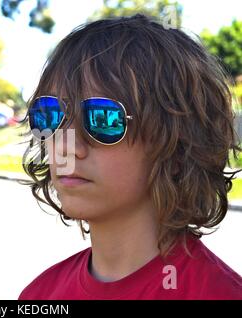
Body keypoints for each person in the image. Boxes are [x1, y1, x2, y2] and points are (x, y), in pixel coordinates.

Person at [18, 14, 242, 300]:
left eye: (102, 118)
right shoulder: (39, 294)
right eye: (49, 115)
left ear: (178, 143)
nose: (65, 145)